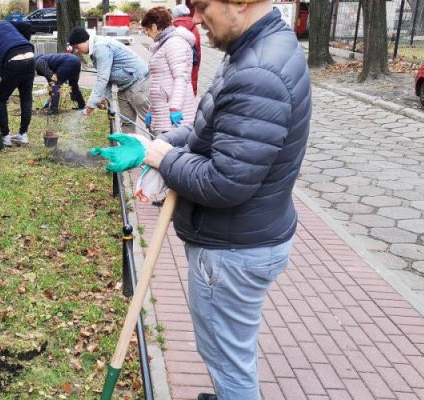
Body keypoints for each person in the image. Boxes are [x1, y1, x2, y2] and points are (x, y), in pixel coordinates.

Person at [142, 0, 311, 398]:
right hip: (250, 234)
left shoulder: (258, 71)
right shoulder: (256, 49)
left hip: (233, 249)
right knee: (230, 349)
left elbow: (225, 182)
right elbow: (211, 128)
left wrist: (167, 160)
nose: (196, 19)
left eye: (201, 7)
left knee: (227, 361)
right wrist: (162, 142)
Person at [68, 27, 149, 134]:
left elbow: (103, 78)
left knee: (150, 121)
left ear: (84, 40)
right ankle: (129, 149)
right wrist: (104, 97)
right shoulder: (95, 50)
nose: (77, 51)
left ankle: (163, 147)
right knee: (126, 123)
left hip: (138, 82)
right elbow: (108, 77)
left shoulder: (101, 47)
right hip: (124, 86)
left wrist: (90, 105)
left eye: (77, 47)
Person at [141, 7, 196, 135]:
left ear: (154, 27)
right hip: (164, 109)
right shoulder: (164, 43)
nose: (147, 34)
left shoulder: (174, 43)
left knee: (172, 150)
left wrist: (175, 108)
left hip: (174, 112)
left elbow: (181, 77)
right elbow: (159, 80)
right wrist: (152, 109)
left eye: (146, 30)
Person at [0, 21, 35, 146]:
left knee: (0, 99)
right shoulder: (6, 24)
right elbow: (26, 26)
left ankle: (5, 136)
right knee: (26, 98)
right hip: (29, 54)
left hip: (11, 58)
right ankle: (23, 134)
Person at [172, 4, 200, 95]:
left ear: (175, 15)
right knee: (192, 83)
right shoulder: (194, 27)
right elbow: (198, 48)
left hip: (176, 63)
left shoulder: (172, 28)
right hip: (193, 61)